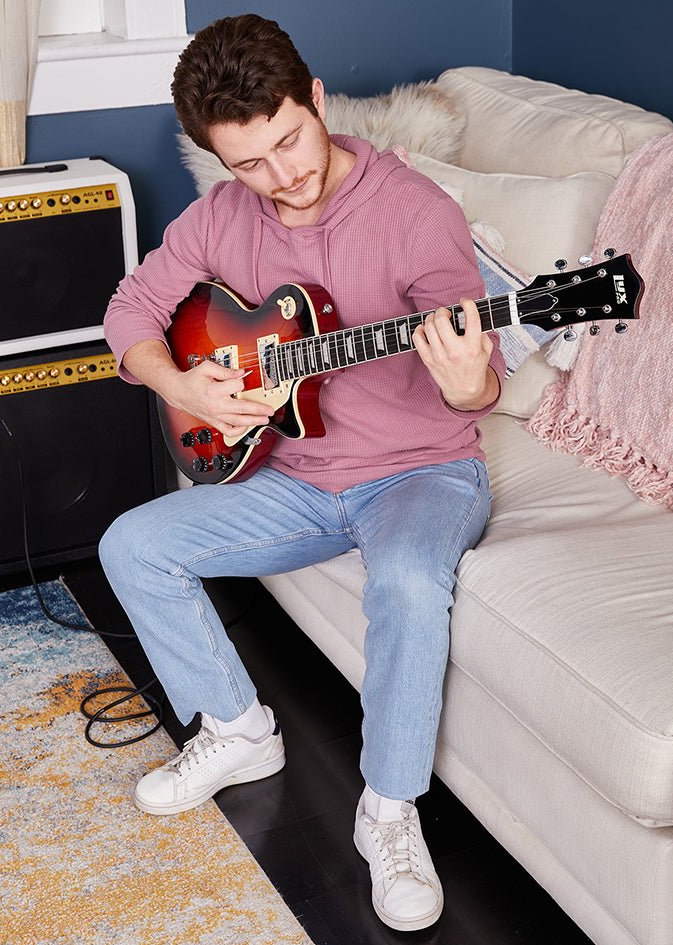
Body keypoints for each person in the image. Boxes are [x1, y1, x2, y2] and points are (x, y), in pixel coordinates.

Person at [100, 13, 504, 933]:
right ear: (216, 158)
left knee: (405, 579)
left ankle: (388, 810)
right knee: (133, 544)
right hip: (294, 475)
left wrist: (469, 375)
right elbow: (131, 309)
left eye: (290, 140)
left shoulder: (417, 214)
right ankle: (238, 730)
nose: (282, 176)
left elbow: (476, 386)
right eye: (249, 162)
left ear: (317, 100)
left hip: (418, 473)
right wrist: (182, 385)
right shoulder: (221, 215)